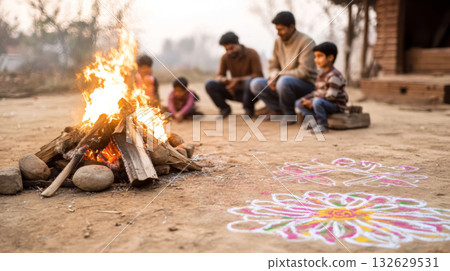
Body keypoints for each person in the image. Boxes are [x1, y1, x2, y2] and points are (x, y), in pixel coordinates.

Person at [250, 11, 317, 125]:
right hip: (283, 83)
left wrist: (279, 75)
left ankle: (289, 115)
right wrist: (273, 75)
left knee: (284, 81)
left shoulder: (307, 42)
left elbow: (304, 72)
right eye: (277, 29)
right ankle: (277, 110)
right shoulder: (278, 41)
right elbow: (273, 65)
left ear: (291, 27)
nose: (278, 33)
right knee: (256, 84)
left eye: (280, 29)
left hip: (305, 85)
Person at [205, 31, 263, 117]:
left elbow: (258, 75)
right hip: (233, 91)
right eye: (226, 49)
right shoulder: (225, 57)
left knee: (249, 81)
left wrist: (237, 80)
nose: (229, 52)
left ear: (238, 43)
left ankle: (249, 109)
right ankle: (224, 108)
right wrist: (226, 80)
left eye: (231, 48)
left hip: (250, 92)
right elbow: (219, 76)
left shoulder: (252, 53)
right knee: (210, 84)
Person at [296, 42, 348, 133]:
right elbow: (316, 92)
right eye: (315, 57)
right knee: (299, 102)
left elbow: (331, 96)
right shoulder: (320, 74)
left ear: (330, 58)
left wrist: (312, 102)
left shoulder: (334, 75)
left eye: (319, 56)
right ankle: (313, 122)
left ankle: (323, 125)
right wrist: (306, 99)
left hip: (335, 105)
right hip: (322, 102)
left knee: (317, 102)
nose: (316, 60)